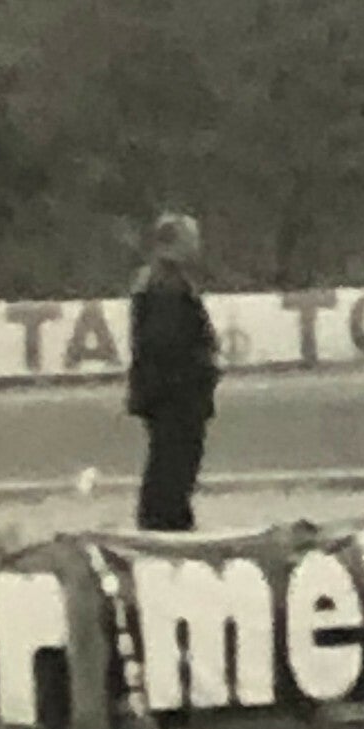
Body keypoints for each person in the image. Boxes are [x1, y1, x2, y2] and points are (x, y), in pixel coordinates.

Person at [127, 212, 219, 531]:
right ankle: (166, 522)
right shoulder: (166, 285)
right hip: (174, 393)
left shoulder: (157, 279)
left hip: (166, 391)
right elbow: (167, 342)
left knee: (170, 459)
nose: (198, 245)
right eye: (192, 238)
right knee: (174, 461)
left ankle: (166, 517)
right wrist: (198, 372)